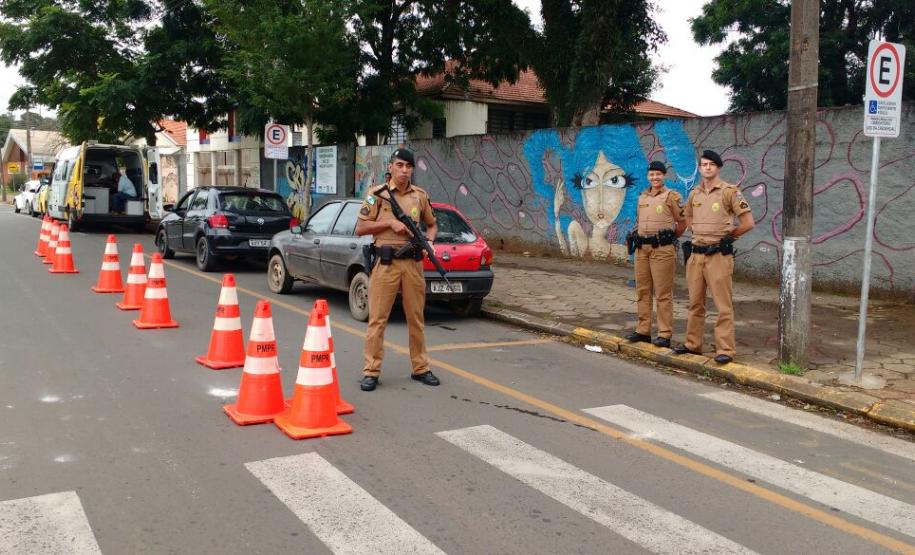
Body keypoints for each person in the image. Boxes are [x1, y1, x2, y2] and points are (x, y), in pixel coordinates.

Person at [355, 148, 440, 391]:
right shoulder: (376, 195)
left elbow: (432, 225)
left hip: (413, 264)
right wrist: (389, 223)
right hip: (386, 264)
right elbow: (360, 227)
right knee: (378, 319)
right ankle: (371, 371)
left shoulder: (420, 196)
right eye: (400, 165)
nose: (404, 170)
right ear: (391, 167)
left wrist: (430, 243)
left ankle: (420, 368)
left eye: (408, 166)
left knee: (416, 319)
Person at [673, 150, 755, 364]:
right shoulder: (694, 193)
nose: (707, 168)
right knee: (695, 303)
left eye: (711, 164)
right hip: (696, 255)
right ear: (699, 168)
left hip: (718, 255)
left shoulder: (730, 192)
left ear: (718, 167)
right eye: (703, 164)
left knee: (722, 305)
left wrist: (729, 238)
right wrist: (697, 231)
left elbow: (748, 223)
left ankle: (725, 350)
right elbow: (688, 216)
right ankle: (692, 345)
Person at [625, 161, 686, 348]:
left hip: (662, 250)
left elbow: (682, 222)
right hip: (642, 250)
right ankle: (643, 330)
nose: (655, 177)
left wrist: (671, 237)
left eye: (658, 174)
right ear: (648, 176)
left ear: (664, 176)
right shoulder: (642, 197)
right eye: (652, 174)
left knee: (663, 293)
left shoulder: (671, 196)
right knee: (642, 290)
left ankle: (664, 333)